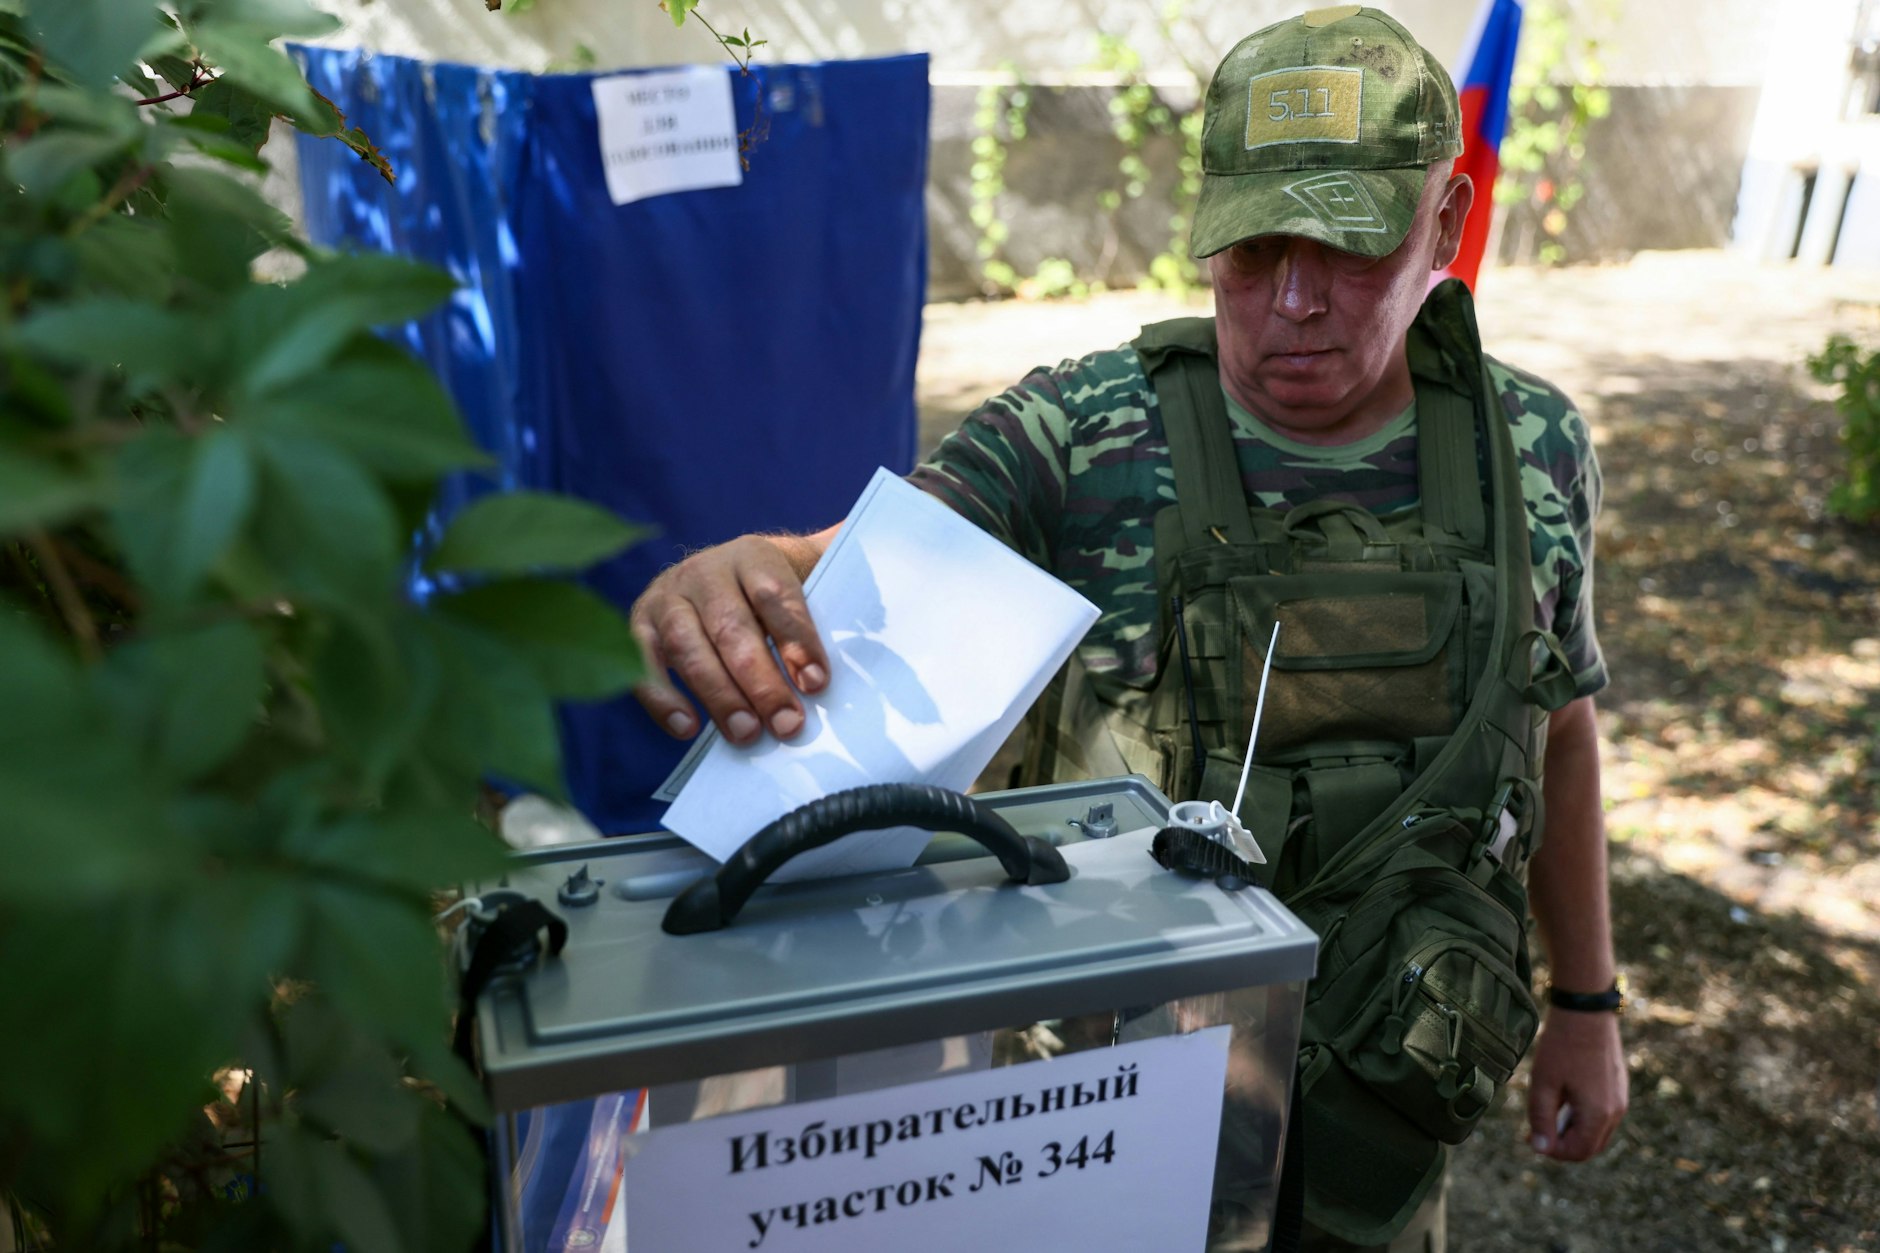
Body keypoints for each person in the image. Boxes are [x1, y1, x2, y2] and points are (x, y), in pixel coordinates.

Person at [630, 7, 1627, 1249]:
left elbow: (1559, 724)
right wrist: (737, 573)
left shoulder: (1528, 447)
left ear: (1445, 222)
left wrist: (1585, 999)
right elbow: (856, 564)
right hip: (1098, 1118)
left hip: (1388, 1103)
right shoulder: (1080, 432)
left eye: (1348, 247)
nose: (1294, 301)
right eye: (1251, 251)